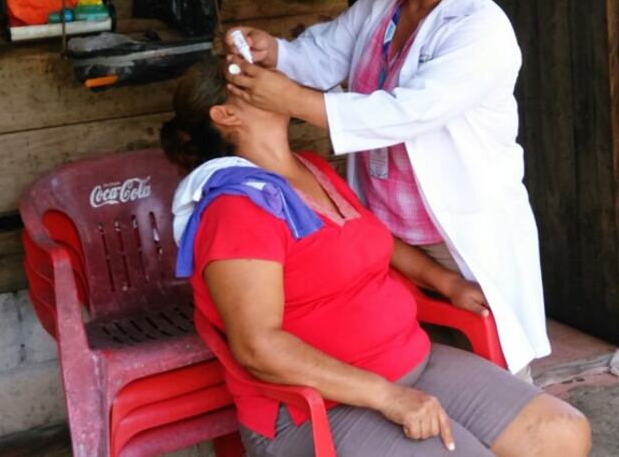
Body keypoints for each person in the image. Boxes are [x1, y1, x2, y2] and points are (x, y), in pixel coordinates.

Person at [161, 57, 591, 457]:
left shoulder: (311, 168)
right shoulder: (236, 208)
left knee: (564, 431)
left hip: (411, 359)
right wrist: (389, 397)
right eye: (254, 78)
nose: (277, 79)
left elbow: (374, 238)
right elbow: (258, 347)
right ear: (226, 115)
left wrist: (447, 283)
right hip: (317, 405)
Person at [224, 0, 547, 378]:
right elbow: (325, 54)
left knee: (495, 365)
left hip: (454, 228)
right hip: (388, 223)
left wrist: (293, 99)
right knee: (405, 353)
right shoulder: (383, 6)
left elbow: (406, 112)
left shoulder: (481, 31)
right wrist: (277, 53)